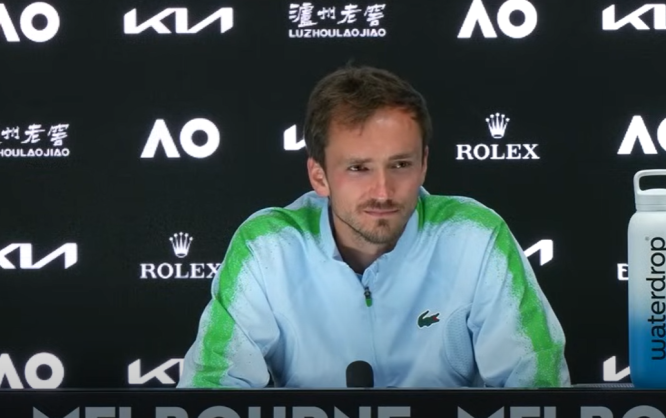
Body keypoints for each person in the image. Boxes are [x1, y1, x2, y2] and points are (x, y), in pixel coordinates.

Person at [176, 64, 570, 389]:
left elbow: (539, 390)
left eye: (400, 164)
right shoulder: (267, 247)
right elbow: (210, 394)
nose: (383, 191)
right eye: (358, 168)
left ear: (424, 164)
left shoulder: (475, 236)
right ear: (319, 176)